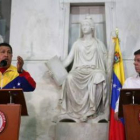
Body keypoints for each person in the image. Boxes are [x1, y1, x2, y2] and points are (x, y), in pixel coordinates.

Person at [58, 16, 113, 122]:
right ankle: (75, 112)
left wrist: (109, 71)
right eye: (83, 25)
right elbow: (69, 59)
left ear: (92, 27)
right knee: (69, 77)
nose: (84, 27)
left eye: (87, 25)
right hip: (79, 71)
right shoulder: (77, 43)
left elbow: (107, 61)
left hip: (95, 70)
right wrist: (56, 68)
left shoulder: (99, 44)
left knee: (99, 77)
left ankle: (92, 112)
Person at [115, 49, 140, 120]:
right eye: (135, 60)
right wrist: (117, 112)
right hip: (134, 122)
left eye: (138, 61)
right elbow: (120, 102)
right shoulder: (129, 82)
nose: (135, 63)